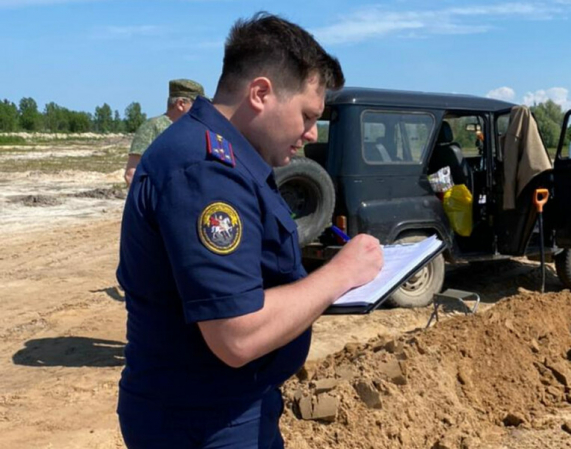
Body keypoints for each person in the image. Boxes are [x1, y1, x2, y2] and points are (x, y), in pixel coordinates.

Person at [116, 13, 383, 449]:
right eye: (307, 115)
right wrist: (341, 274)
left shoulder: (228, 159)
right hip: (201, 420)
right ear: (260, 93)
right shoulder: (205, 172)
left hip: (227, 404)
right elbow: (236, 335)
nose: (311, 134)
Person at [123, 78, 205, 186]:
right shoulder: (152, 126)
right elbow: (131, 174)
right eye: (197, 104)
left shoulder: (195, 129)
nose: (202, 108)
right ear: (181, 104)